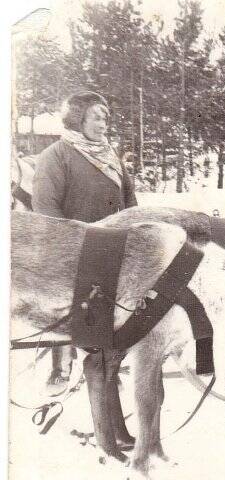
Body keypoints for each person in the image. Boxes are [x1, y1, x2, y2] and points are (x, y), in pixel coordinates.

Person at [32, 91, 137, 396]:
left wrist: (135, 230)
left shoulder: (109, 154)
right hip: (76, 250)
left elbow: (129, 200)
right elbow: (46, 209)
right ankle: (62, 369)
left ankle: (105, 370)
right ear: (77, 118)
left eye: (106, 117)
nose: (103, 123)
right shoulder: (56, 155)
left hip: (114, 245)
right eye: (96, 116)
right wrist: (71, 244)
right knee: (77, 312)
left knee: (111, 312)